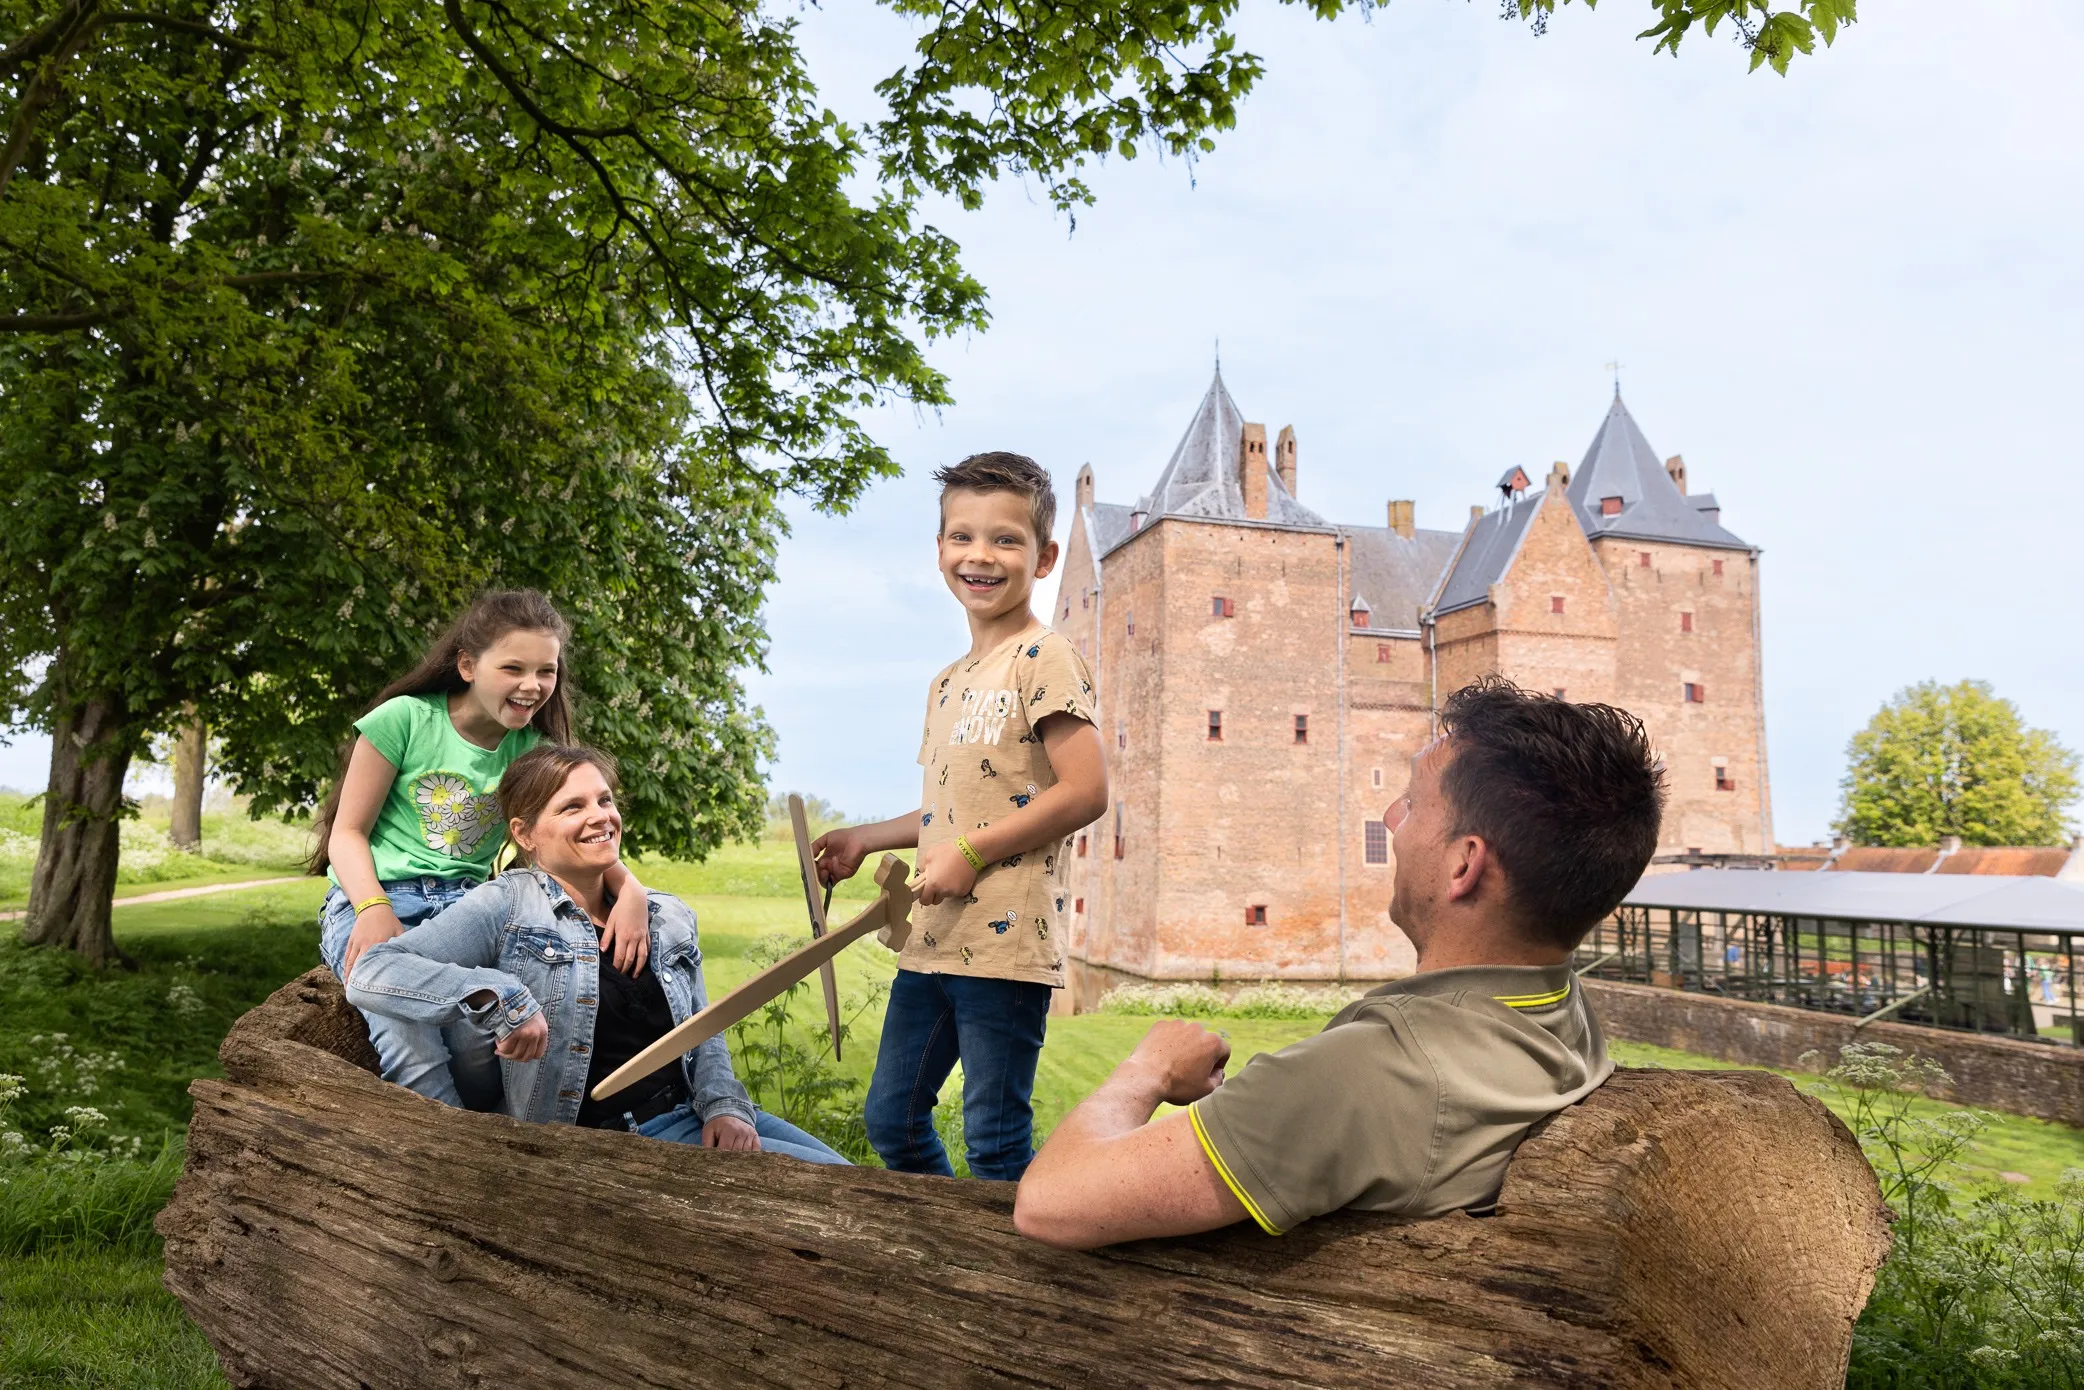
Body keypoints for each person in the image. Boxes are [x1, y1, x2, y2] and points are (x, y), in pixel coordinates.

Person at [1012, 677, 1666, 1248]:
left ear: (1464, 864)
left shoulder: (1368, 1077)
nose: (1389, 817)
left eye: (1413, 803)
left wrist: (1147, 1069)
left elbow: (1052, 1203)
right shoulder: (1560, 1016)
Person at [812, 452, 1109, 1181]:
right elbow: (953, 805)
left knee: (995, 1142)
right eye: (962, 536)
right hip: (934, 939)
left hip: (1006, 947)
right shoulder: (947, 682)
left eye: (1006, 539)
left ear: (1044, 558)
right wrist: (865, 838)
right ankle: (945, 1242)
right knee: (892, 1119)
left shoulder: (1046, 657)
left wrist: (972, 855)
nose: (981, 555)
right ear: (940, 548)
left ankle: (1019, 1254)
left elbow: (1085, 791)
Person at [346, 744, 848, 1163]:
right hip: (619, 1141)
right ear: (524, 833)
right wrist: (500, 996)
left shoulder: (667, 915)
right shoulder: (508, 904)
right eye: (572, 807)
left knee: (858, 1182)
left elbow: (704, 1030)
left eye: (604, 800)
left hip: (700, 1114)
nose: (600, 817)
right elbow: (373, 970)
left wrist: (725, 1108)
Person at [310, 590, 653, 1108]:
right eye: (513, 668)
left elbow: (576, 834)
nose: (532, 685)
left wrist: (632, 891)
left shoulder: (533, 752)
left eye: (546, 671)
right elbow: (347, 833)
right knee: (410, 1043)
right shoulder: (403, 720)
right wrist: (372, 907)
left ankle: (485, 1142)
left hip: (469, 909)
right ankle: (444, 1155)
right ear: (468, 665)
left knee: (478, 1047)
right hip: (377, 897)